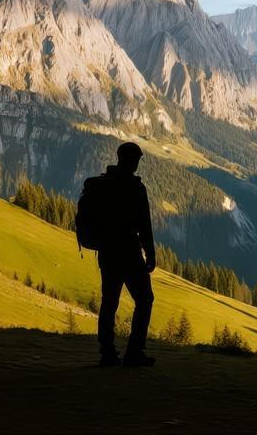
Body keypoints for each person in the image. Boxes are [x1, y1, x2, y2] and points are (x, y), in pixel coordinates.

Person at [95, 142, 156, 367]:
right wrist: (150, 254)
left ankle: (107, 352)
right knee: (145, 299)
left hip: (107, 253)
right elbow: (144, 225)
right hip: (129, 253)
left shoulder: (102, 184)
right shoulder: (135, 188)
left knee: (109, 302)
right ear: (132, 160)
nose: (137, 163)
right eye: (137, 159)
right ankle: (134, 352)